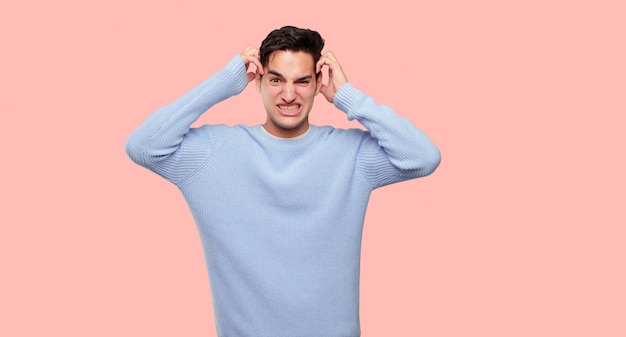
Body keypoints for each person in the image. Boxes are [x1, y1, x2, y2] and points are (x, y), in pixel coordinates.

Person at [126, 26, 440, 337]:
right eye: (276, 79)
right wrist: (222, 83)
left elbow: (423, 157)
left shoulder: (351, 154)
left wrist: (348, 96)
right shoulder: (213, 153)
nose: (288, 95)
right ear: (258, 81)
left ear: (319, 84)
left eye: (302, 81)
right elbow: (143, 147)